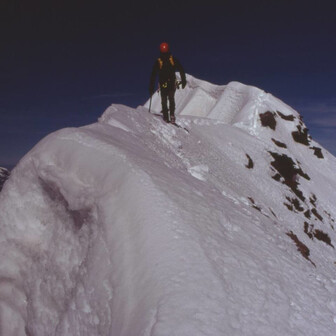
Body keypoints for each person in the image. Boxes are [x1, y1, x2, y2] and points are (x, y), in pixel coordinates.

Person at [149, 42, 186, 123]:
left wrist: (151, 87)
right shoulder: (173, 59)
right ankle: (172, 115)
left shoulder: (158, 61)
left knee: (164, 100)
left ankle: (166, 116)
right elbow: (181, 69)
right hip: (171, 82)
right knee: (171, 99)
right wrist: (183, 80)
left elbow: (153, 74)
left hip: (163, 84)